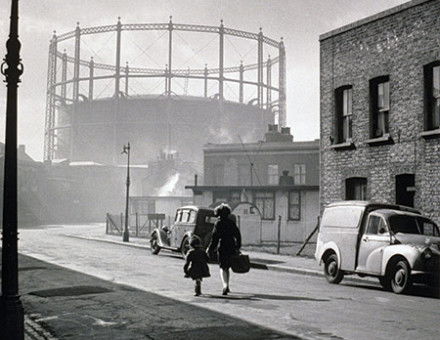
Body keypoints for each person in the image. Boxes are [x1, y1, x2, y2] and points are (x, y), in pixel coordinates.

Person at [207, 203, 242, 295]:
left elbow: (215, 238)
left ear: (218, 213)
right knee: (227, 267)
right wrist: (238, 247)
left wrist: (210, 249)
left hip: (222, 246)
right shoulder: (231, 223)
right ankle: (227, 285)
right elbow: (238, 235)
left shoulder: (218, 223)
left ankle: (225, 285)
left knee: (223, 267)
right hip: (231, 246)